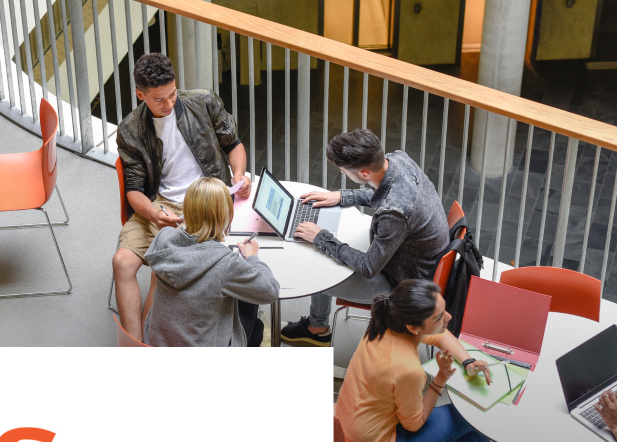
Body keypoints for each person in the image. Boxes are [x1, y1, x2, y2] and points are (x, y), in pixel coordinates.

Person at [334, 280, 522, 442]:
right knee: (470, 414)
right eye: (439, 316)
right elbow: (414, 424)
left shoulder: (384, 325)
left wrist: (467, 361)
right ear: (413, 326)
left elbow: (440, 335)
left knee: (467, 437)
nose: (449, 317)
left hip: (346, 432)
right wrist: (439, 381)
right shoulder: (407, 369)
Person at [113, 53, 250, 344]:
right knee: (122, 263)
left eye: (173, 94)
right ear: (141, 94)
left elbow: (234, 145)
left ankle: (151, 343)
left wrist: (239, 174)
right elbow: (134, 190)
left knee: (161, 269)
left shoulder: (204, 102)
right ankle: (136, 347)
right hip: (157, 203)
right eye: (160, 99)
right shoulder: (130, 129)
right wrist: (152, 214)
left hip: (203, 200)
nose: (170, 103)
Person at [280, 129, 448, 347]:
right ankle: (317, 327)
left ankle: (317, 329)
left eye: (344, 171)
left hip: (404, 284)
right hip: (420, 263)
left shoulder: (395, 213)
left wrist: (321, 237)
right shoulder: (399, 160)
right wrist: (342, 196)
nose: (344, 174)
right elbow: (385, 192)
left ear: (364, 174)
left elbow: (369, 267)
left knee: (317, 273)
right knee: (329, 253)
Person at [142, 178, 279, 346]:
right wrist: (252, 258)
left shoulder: (163, 237)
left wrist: (191, 222)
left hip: (159, 343)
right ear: (227, 215)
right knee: (252, 309)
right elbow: (270, 291)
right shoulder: (226, 263)